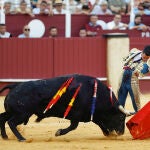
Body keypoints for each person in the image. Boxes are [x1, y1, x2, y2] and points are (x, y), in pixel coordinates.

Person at [118, 46, 150, 114]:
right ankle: (119, 113)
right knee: (120, 96)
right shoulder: (134, 51)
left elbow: (142, 73)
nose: (145, 60)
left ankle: (138, 114)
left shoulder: (147, 64)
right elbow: (125, 59)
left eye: (147, 58)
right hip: (123, 76)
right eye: (144, 58)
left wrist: (140, 73)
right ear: (142, 52)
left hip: (133, 79)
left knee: (135, 98)